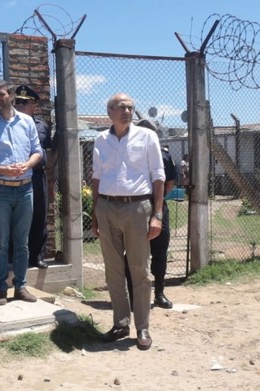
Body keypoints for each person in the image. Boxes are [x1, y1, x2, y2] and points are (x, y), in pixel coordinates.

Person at [91, 93, 165, 351]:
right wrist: (95, 213)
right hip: (107, 207)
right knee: (113, 270)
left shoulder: (147, 137)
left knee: (140, 270)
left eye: (130, 107)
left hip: (137, 208)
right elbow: (97, 177)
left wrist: (157, 215)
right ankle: (120, 322)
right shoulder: (101, 139)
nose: (127, 111)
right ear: (110, 111)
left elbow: (158, 176)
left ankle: (142, 326)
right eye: (121, 107)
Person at [0, 81, 43, 306]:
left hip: (25, 189)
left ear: (11, 95)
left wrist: (28, 164)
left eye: (1, 94)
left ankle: (20, 287)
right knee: (1, 243)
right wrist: (2, 170)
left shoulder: (27, 122)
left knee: (22, 242)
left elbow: (37, 151)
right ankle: (1, 288)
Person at [125, 118, 177, 310]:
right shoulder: (128, 154)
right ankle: (133, 296)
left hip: (157, 207)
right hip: (133, 207)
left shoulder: (164, 155)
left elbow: (169, 182)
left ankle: (159, 293)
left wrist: (156, 200)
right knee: (132, 253)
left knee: (160, 251)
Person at [13, 85, 50, 269]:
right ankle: (16, 256)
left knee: (39, 215)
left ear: (33, 105)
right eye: (17, 102)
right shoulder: (9, 125)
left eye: (24, 102)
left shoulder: (42, 126)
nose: (20, 105)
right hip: (16, 175)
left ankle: (37, 256)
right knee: (17, 216)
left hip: (36, 176)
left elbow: (48, 150)